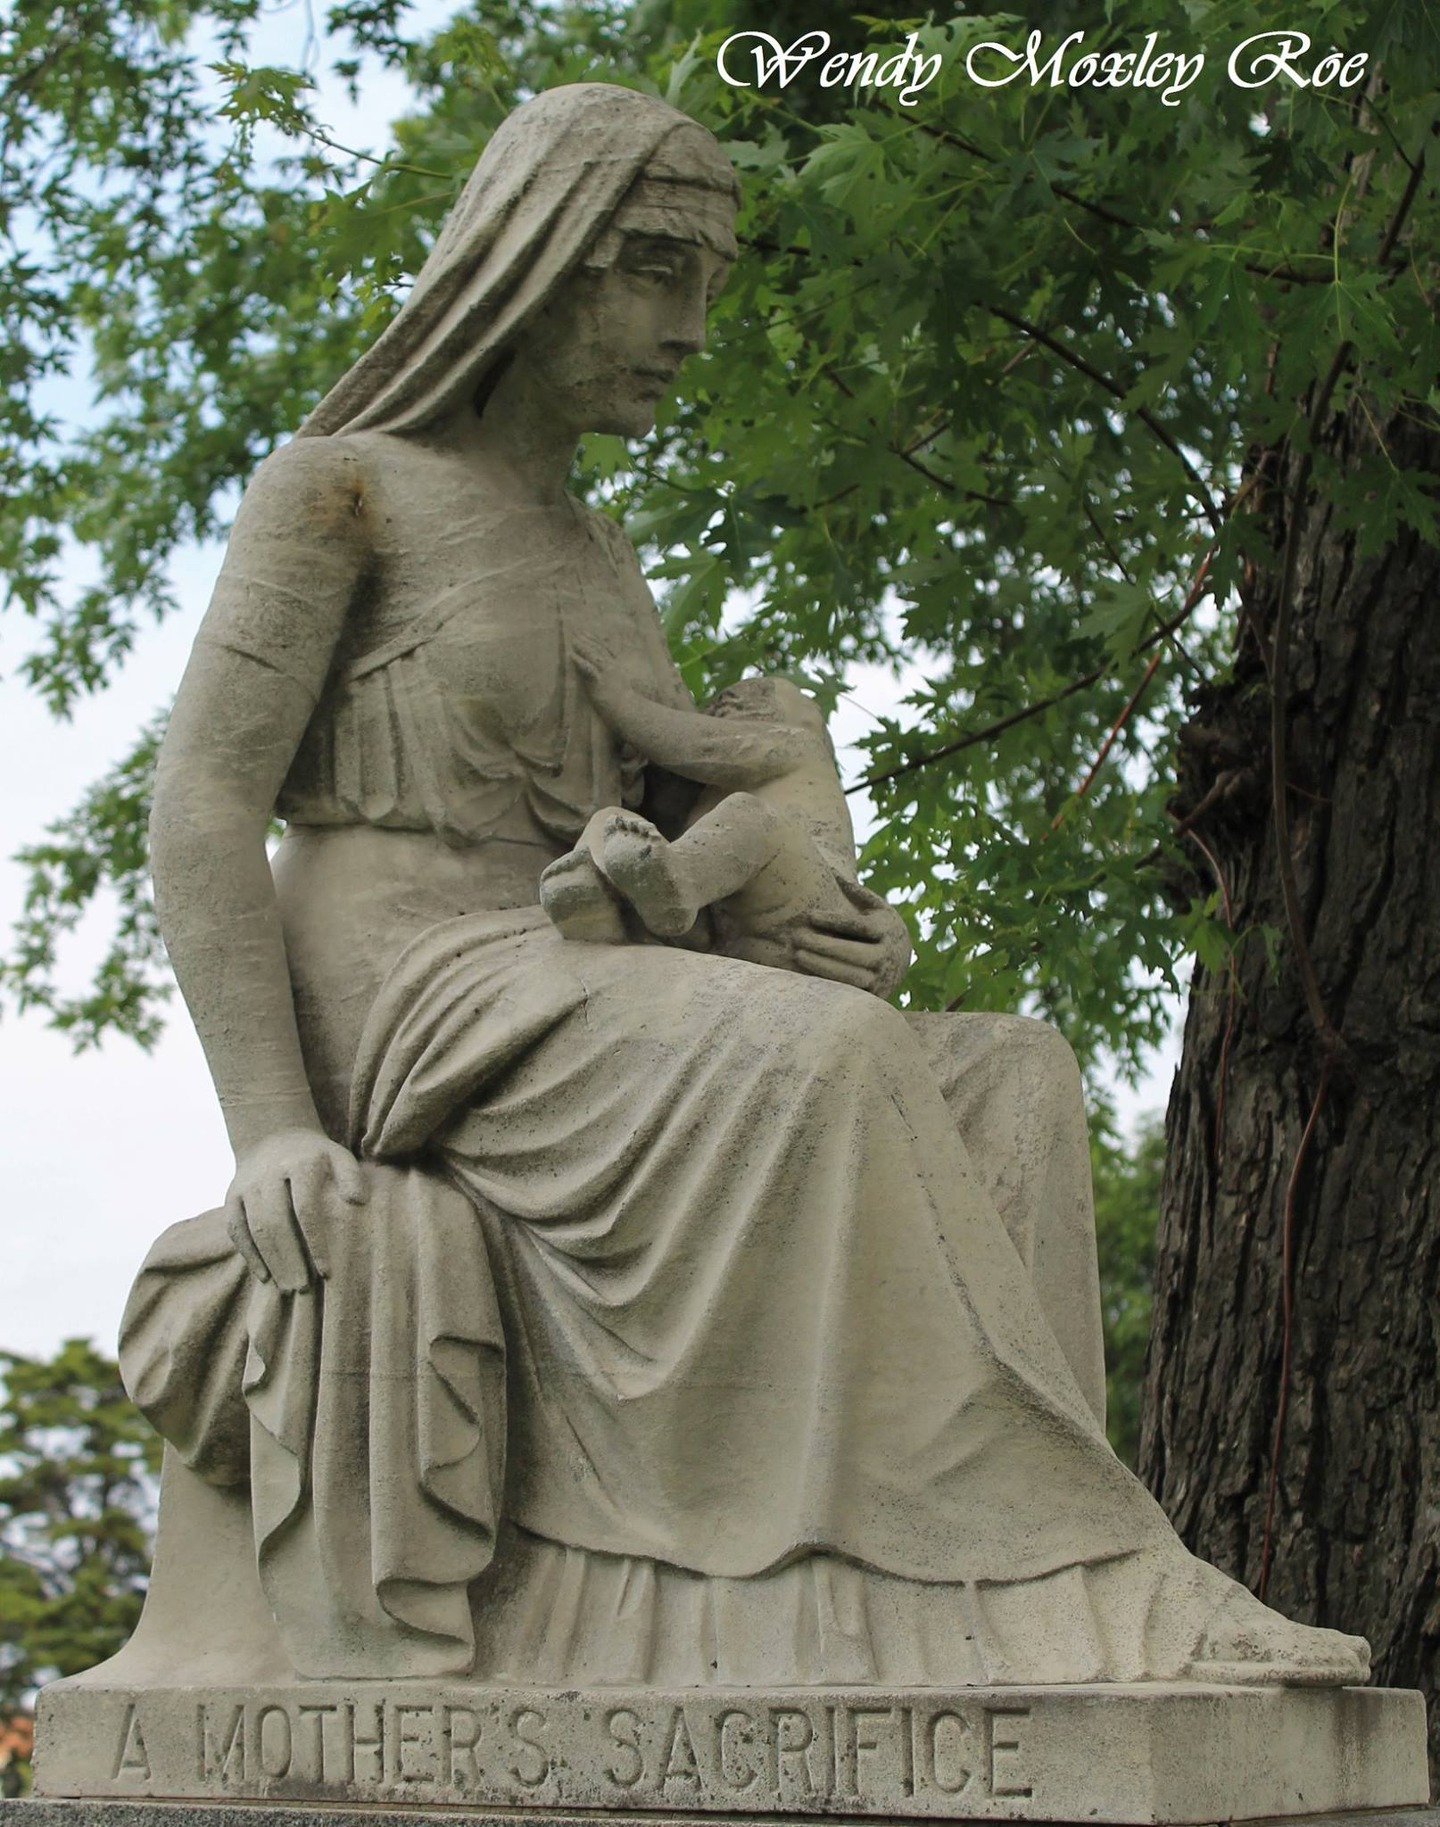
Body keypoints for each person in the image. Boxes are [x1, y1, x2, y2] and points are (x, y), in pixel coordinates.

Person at [118, 82, 1368, 1690]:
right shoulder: (343, 485)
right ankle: (1105, 1585)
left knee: (1007, 1077)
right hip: (405, 996)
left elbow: (673, 832)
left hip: (571, 972)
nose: (690, 326)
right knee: (828, 1064)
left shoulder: (600, 544)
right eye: (653, 268)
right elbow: (203, 801)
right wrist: (271, 1124)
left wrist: (797, 911)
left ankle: (954, 1618)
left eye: (707, 280)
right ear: (537, 250)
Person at [540, 647, 911, 989]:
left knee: (751, 816)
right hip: (723, 932)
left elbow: (695, 745)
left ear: (806, 720)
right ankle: (591, 897)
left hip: (808, 913)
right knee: (610, 820)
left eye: (734, 704)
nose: (719, 715)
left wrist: (619, 700)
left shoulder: (797, 746)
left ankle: (678, 886)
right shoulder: (703, 804)